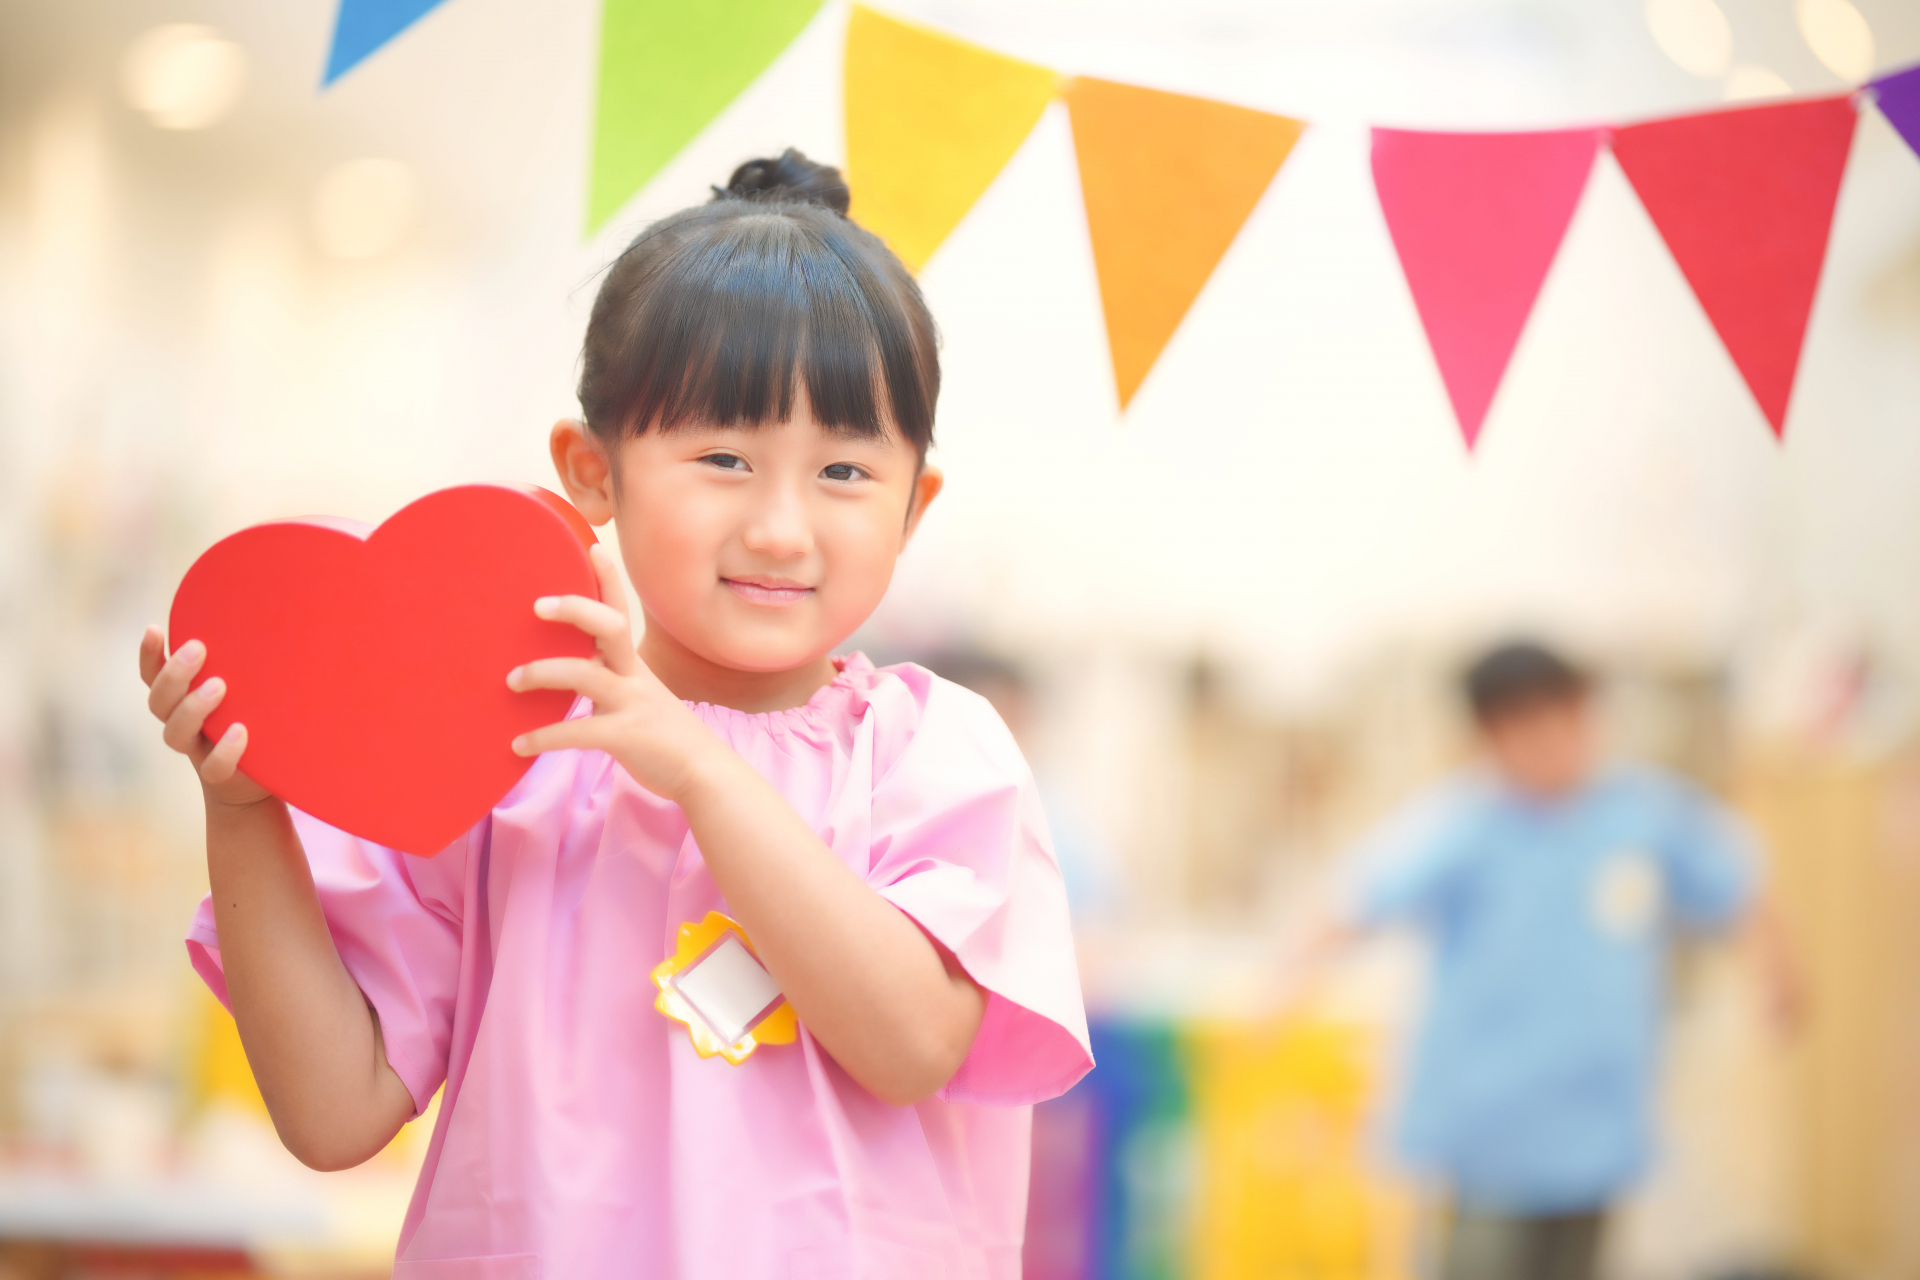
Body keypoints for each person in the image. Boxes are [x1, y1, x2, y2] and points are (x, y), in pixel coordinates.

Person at [137, 150, 1091, 1279]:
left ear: (913, 505)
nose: (781, 528)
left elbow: (912, 1042)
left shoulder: (935, 754)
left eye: (844, 473)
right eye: (724, 457)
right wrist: (246, 808)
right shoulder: (504, 743)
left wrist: (700, 770)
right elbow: (334, 1112)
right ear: (593, 471)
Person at [1281, 640, 1797, 1280]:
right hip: (1493, 1129)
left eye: (1570, 721)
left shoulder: (1639, 813)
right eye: (1530, 729)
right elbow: (1354, 901)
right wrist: (1286, 989)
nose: (1556, 744)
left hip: (1596, 1116)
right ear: (1491, 739)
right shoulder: (1464, 825)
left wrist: (1776, 971)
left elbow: (1736, 883)